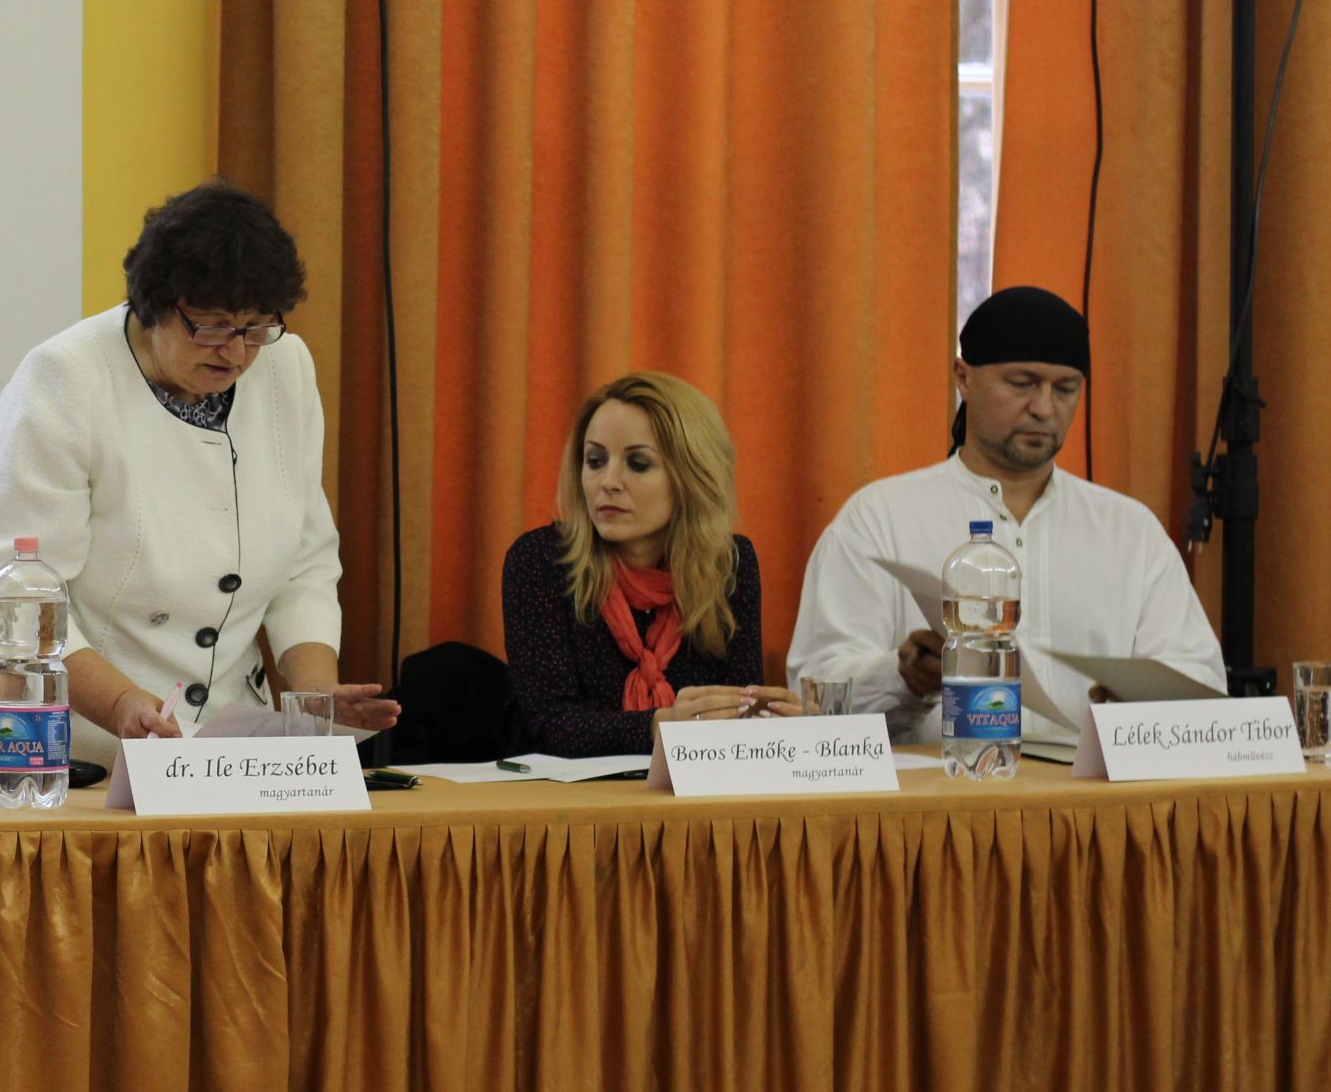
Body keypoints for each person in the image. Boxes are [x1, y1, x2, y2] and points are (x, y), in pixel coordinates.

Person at [0, 180, 398, 776]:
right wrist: (121, 704)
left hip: (216, 742)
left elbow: (304, 561)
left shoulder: (286, 369)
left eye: (256, 327)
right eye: (212, 326)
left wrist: (315, 697)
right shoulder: (64, 379)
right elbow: (17, 596)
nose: (236, 353)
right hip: (47, 735)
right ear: (154, 304)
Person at [788, 285, 1225, 742]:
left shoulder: (1130, 532)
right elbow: (815, 694)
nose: (1043, 408)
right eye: (1022, 384)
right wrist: (903, 679)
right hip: (938, 786)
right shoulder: (879, 519)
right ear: (964, 378)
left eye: (1065, 389)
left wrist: (1142, 703)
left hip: (1089, 787)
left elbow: (1202, 684)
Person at [503, 372, 798, 756]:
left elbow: (734, 717)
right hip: (559, 791)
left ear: (691, 476)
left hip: (688, 787)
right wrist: (660, 726)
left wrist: (771, 718)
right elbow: (548, 726)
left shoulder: (728, 564)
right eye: (595, 461)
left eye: (638, 463)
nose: (608, 482)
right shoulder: (541, 559)